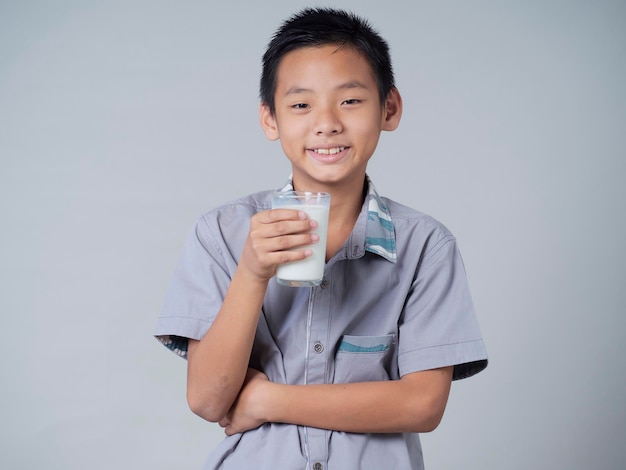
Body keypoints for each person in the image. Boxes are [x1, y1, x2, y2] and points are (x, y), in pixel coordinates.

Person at [155, 7, 488, 470]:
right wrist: (252, 273)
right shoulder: (223, 234)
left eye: (350, 101)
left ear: (389, 108)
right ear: (270, 119)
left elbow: (422, 405)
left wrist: (267, 399)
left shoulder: (425, 246)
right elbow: (209, 400)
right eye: (300, 104)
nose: (326, 122)